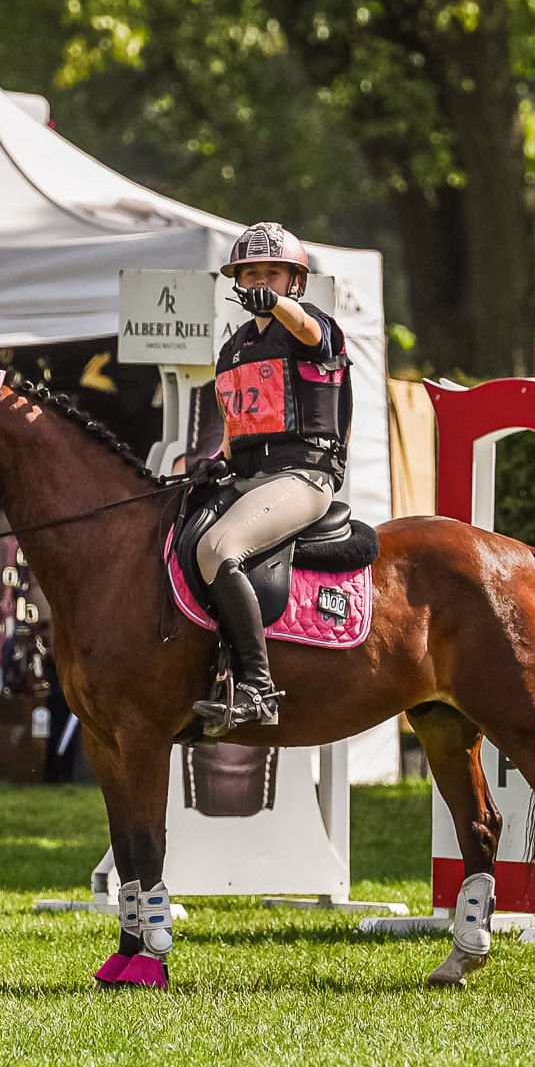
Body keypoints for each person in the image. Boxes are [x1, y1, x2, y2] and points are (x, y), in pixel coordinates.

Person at [190, 222, 354, 733]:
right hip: (246, 479)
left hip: (303, 477)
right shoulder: (233, 348)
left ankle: (258, 689)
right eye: (251, 274)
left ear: (295, 282)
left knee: (218, 549)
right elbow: (235, 425)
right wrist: (216, 460)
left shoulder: (315, 327)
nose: (261, 281)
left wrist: (277, 305)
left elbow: (305, 328)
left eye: (273, 274)